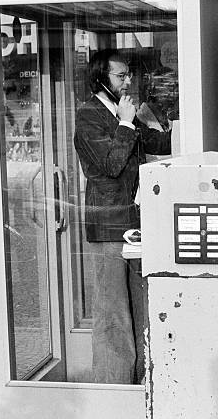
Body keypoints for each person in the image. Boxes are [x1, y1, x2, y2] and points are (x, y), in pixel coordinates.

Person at [74, 49, 171, 384]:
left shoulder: (122, 110)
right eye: (120, 75)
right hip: (109, 224)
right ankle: (113, 387)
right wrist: (127, 123)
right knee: (112, 311)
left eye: (128, 74)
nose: (128, 80)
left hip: (136, 222)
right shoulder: (88, 115)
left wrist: (159, 113)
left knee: (142, 301)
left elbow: (159, 142)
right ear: (100, 78)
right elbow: (111, 165)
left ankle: (143, 379)